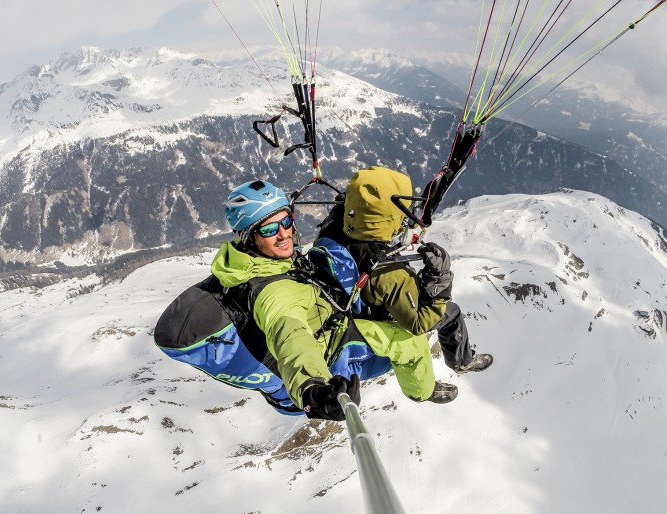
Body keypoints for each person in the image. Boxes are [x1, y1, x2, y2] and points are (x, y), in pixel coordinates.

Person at [196, 178, 455, 419]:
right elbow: (289, 334)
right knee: (411, 342)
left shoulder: (253, 263)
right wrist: (313, 389)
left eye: (286, 221)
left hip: (327, 314)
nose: (284, 234)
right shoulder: (274, 294)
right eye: (270, 229)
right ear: (248, 237)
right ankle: (424, 391)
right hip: (331, 349)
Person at [314, 166, 493, 394]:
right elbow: (421, 323)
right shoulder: (390, 274)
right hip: (374, 319)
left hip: (342, 299)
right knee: (451, 313)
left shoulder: (332, 227)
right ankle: (461, 362)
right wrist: (440, 279)